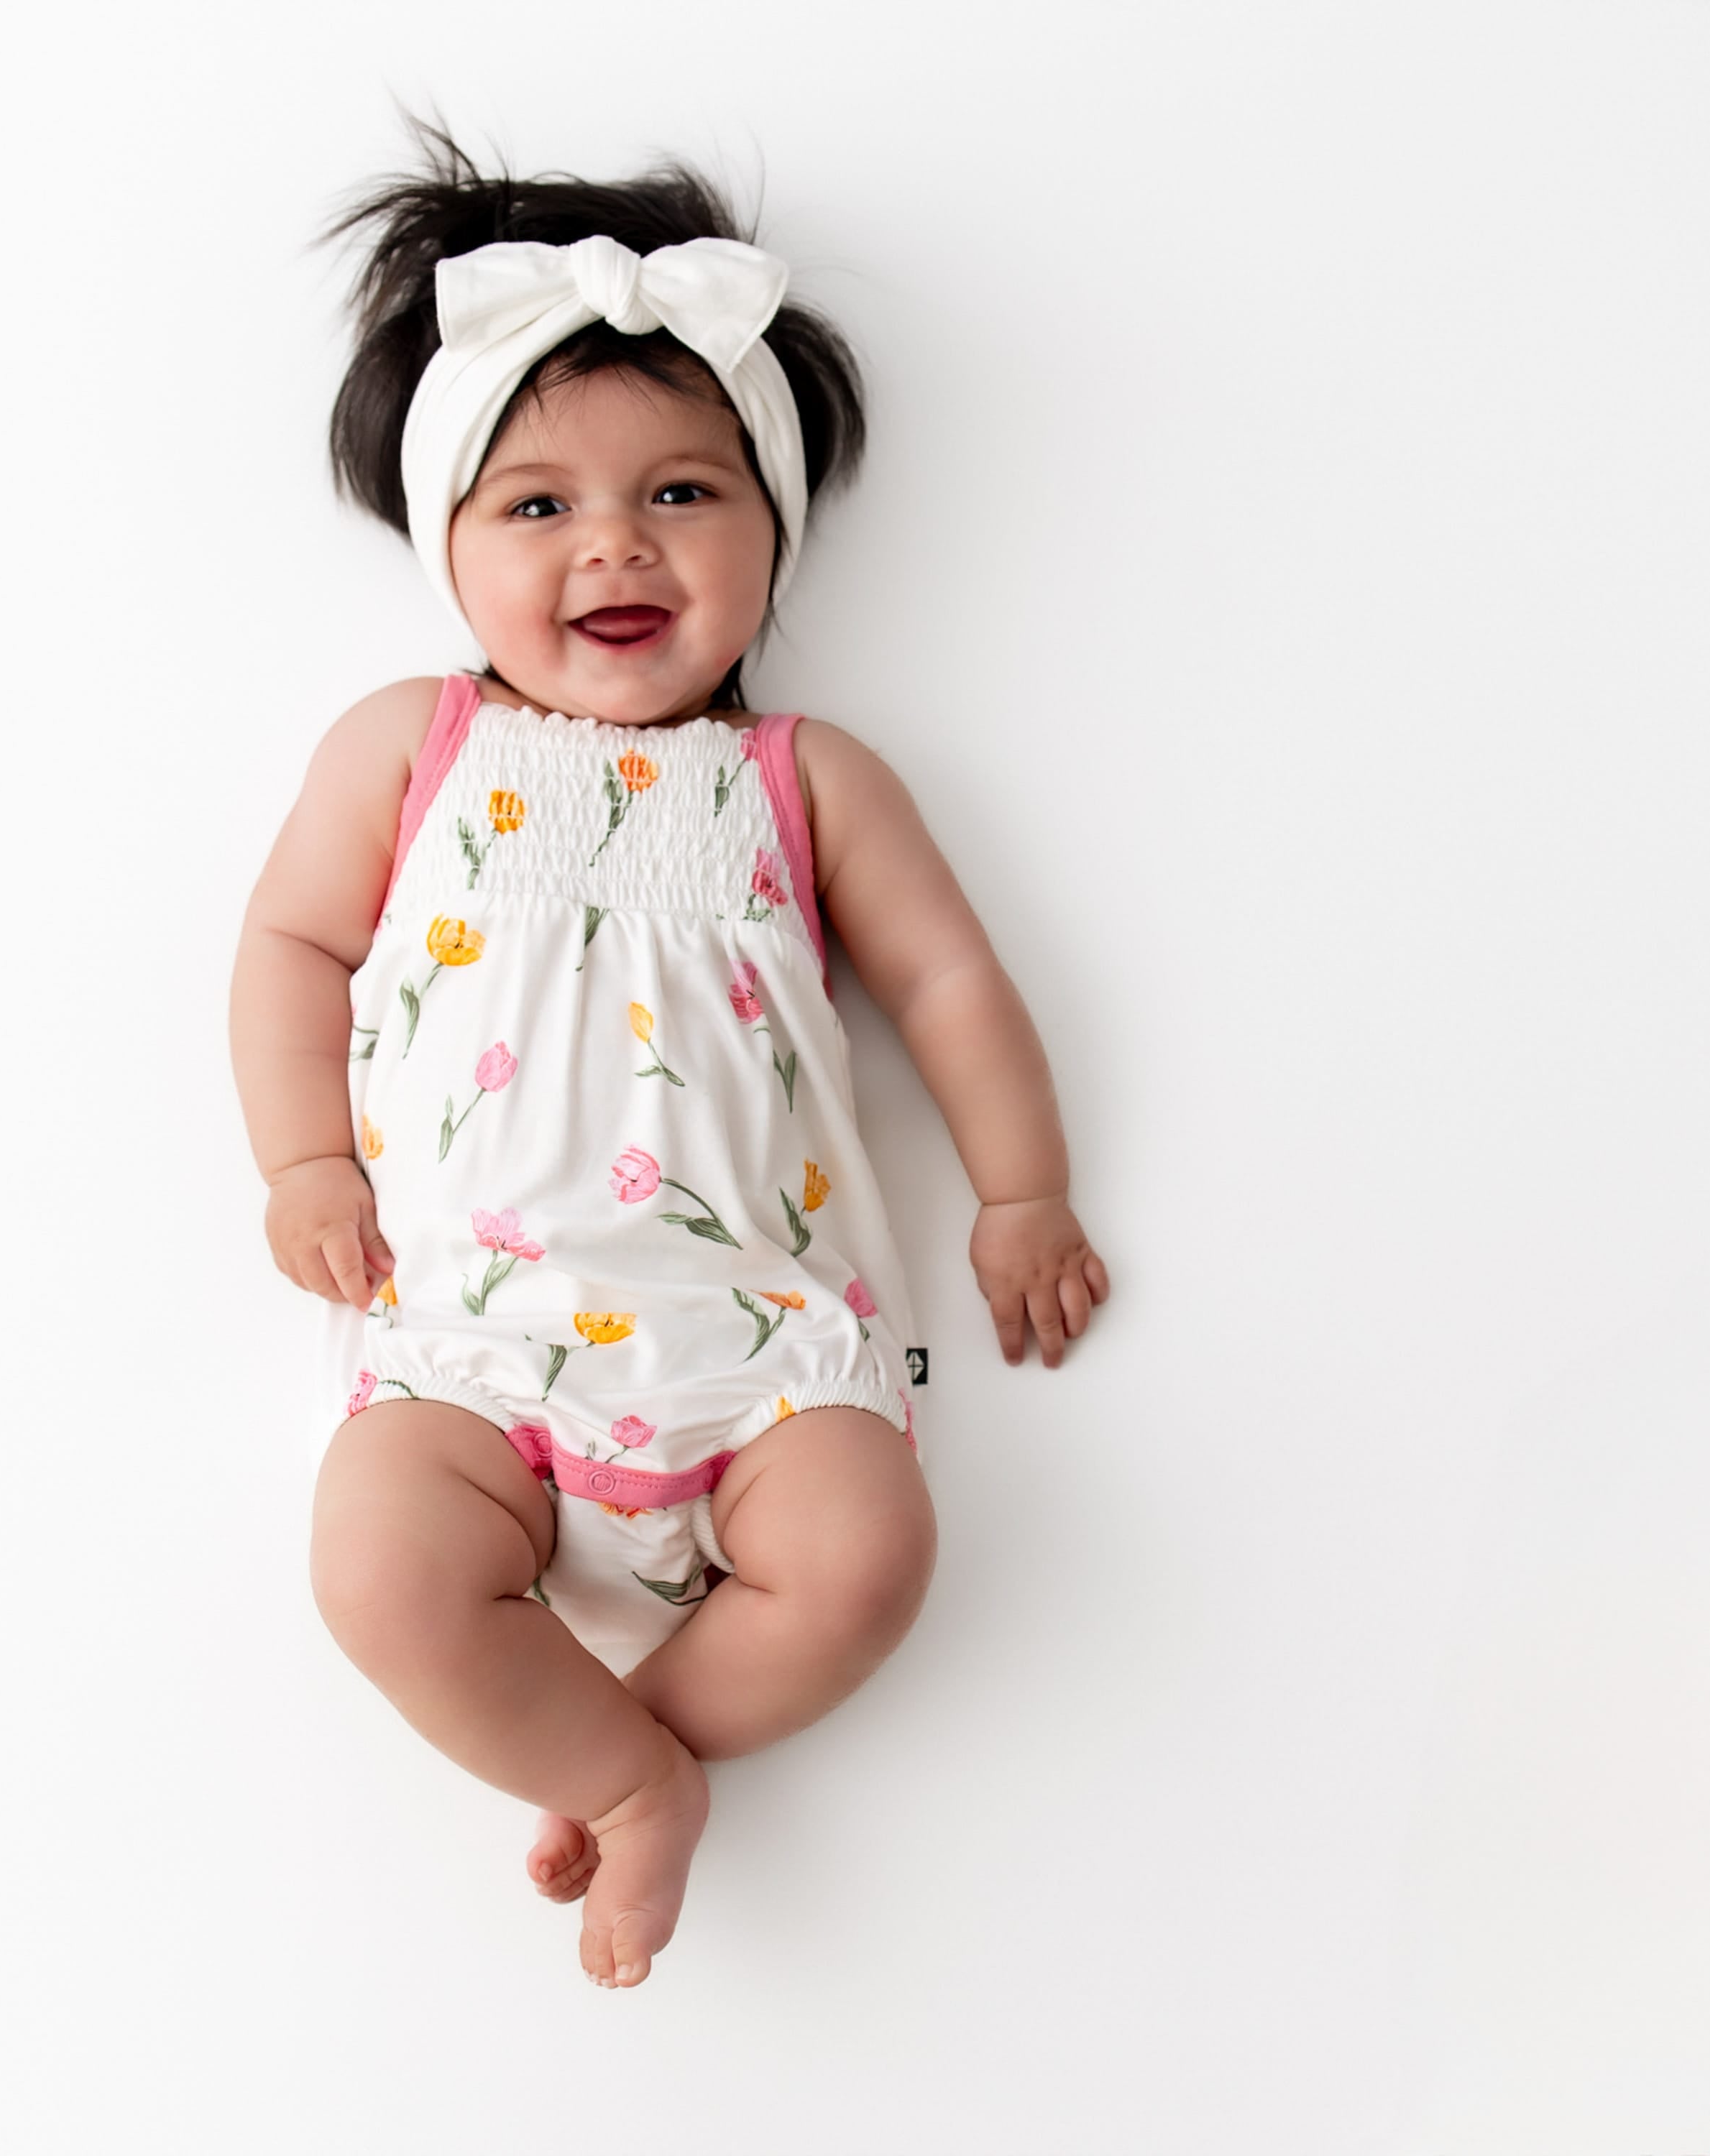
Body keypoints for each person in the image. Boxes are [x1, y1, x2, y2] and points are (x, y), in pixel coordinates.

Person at [228, 124, 1111, 1991]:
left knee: (869, 1559)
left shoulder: (810, 783)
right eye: (535, 506)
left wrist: (1024, 1190)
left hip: (758, 1346)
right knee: (377, 1570)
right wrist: (306, 1158)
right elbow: (292, 947)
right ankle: (630, 1784)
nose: (615, 543)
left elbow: (951, 986)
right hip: (476, 1340)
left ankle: (637, 1765)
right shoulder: (410, 747)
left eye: (685, 493)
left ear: (775, 528)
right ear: (446, 546)